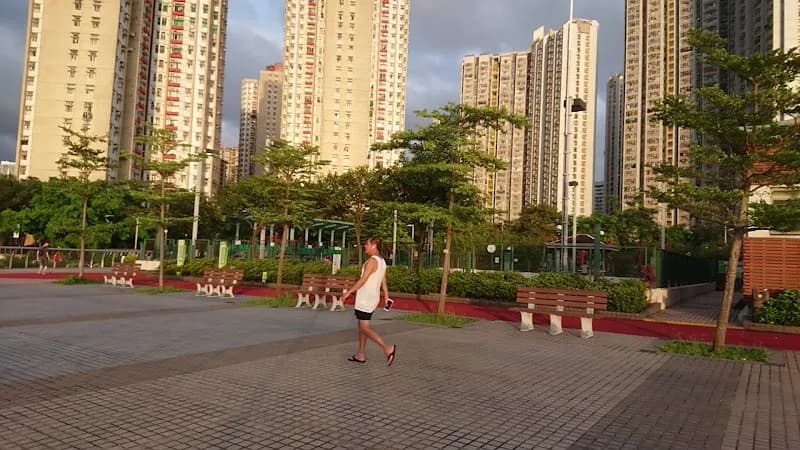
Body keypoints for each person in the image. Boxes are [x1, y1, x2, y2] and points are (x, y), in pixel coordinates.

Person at [342, 237, 397, 366]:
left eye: (366, 244)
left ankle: (387, 348)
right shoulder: (382, 261)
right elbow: (383, 280)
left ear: (374, 245)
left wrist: (349, 292)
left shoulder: (372, 261)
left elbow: (363, 280)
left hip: (366, 298)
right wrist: (386, 296)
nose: (364, 246)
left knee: (364, 327)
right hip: (372, 297)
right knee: (362, 326)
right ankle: (361, 354)